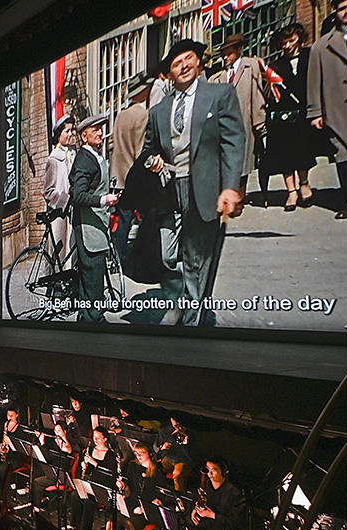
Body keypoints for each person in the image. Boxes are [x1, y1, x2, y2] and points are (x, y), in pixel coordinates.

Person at [144, 39, 246, 326]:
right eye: (176, 64)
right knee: (168, 255)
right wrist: (151, 160)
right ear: (170, 74)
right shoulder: (159, 110)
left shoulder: (220, 94)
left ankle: (191, 321)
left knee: (195, 255)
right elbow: (148, 149)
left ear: (199, 62)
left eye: (188, 59)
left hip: (203, 187)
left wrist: (230, 185)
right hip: (168, 191)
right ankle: (186, 299)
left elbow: (234, 141)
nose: (184, 66)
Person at [70, 113, 119, 322]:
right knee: (93, 278)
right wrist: (104, 200)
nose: (100, 132)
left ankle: (85, 319)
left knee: (90, 278)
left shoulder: (95, 156)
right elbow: (78, 195)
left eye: (101, 128)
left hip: (97, 226)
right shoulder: (85, 159)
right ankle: (95, 322)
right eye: (95, 129)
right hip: (89, 227)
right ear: (84, 136)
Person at [264, 23, 319, 211]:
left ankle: (304, 184)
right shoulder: (276, 65)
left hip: (305, 110)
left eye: (291, 41)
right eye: (284, 42)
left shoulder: (309, 57)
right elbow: (271, 92)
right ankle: (291, 191)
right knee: (285, 152)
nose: (288, 45)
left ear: (299, 39)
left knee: (302, 149)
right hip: (284, 115)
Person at [308, 0, 347, 220]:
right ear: (335, 13)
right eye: (342, 8)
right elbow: (313, 83)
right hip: (337, 111)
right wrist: (315, 112)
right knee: (343, 155)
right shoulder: (321, 46)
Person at [210, 34, 267, 197]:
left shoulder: (250, 67)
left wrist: (259, 118)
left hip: (245, 120)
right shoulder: (219, 75)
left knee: (244, 159)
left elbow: (256, 94)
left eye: (229, 53)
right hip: (225, 124)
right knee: (227, 158)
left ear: (239, 50)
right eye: (223, 54)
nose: (225, 58)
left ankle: (240, 194)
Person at [111, 72, 153, 265]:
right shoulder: (142, 115)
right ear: (142, 92)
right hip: (134, 178)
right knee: (142, 217)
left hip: (118, 176)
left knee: (123, 219)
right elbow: (140, 151)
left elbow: (113, 145)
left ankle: (119, 255)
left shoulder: (121, 116)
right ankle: (128, 258)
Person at [187, 456, 247, 530]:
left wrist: (213, 515)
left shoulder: (234, 493)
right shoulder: (206, 486)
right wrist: (195, 511)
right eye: (207, 469)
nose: (209, 473)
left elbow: (239, 523)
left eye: (213, 470)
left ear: (224, 472)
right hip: (209, 527)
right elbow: (199, 504)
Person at [116, 441, 167, 530]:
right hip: (132, 501)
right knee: (113, 515)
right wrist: (123, 486)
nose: (138, 456)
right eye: (136, 453)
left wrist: (144, 508)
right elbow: (129, 488)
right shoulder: (133, 467)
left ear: (149, 453)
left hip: (147, 507)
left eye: (141, 453)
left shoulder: (157, 473)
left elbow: (160, 498)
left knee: (130, 523)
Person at [72, 425, 118, 530]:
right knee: (74, 495)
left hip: (101, 486)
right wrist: (83, 466)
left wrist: (95, 463)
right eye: (94, 436)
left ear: (105, 439)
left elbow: (109, 475)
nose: (95, 439)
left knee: (89, 502)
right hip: (89, 483)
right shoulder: (90, 449)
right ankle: (75, 527)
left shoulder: (110, 455)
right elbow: (80, 467)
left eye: (98, 437)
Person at [43, 114, 77, 264]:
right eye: (66, 131)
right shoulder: (54, 160)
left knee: (71, 251)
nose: (70, 135)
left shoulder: (72, 155)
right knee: (58, 254)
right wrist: (64, 199)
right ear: (59, 135)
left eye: (71, 131)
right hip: (58, 215)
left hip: (72, 213)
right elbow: (47, 191)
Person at [154, 416, 191, 491]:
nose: (176, 423)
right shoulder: (165, 431)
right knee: (155, 470)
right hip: (167, 458)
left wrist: (185, 444)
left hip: (182, 460)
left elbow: (190, 455)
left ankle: (179, 499)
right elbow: (155, 447)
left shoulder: (189, 431)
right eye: (174, 420)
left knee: (177, 474)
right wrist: (162, 447)